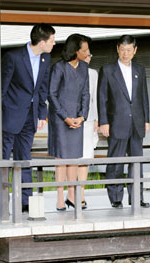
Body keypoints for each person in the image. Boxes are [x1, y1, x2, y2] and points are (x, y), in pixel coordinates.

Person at [2, 23, 56, 213]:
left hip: (30, 117)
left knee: (24, 159)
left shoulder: (45, 58)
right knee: (2, 161)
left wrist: (42, 113)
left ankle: (25, 201)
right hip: (9, 117)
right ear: (41, 42)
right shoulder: (13, 57)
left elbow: (42, 88)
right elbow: (2, 88)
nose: (54, 43)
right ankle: (0, 201)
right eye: (51, 40)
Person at [97, 34, 150, 209]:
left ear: (135, 51)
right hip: (116, 122)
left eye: (129, 50)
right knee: (116, 162)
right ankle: (115, 197)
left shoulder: (140, 70)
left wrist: (147, 119)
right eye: (122, 49)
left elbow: (143, 96)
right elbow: (102, 98)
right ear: (117, 50)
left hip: (137, 122)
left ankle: (137, 197)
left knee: (137, 162)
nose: (125, 53)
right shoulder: (107, 69)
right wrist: (104, 122)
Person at [48, 34, 90, 211]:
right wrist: (65, 117)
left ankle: (71, 195)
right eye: (85, 50)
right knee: (61, 159)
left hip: (77, 119)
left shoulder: (84, 68)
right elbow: (52, 94)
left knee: (74, 158)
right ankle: (59, 197)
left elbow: (86, 94)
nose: (88, 52)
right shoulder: (59, 67)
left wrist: (82, 117)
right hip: (60, 119)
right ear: (75, 51)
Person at [78, 37, 99, 208]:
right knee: (70, 160)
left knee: (85, 158)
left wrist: (98, 119)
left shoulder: (93, 74)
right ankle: (68, 194)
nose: (88, 57)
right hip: (69, 121)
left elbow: (95, 99)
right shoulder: (67, 70)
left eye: (89, 55)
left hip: (88, 120)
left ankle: (81, 194)